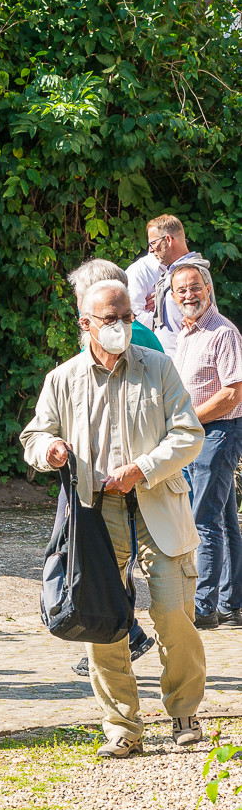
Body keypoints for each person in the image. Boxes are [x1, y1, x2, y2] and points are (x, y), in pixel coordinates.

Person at [21, 279, 205, 758]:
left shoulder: (158, 368)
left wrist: (141, 468)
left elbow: (189, 434)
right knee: (101, 618)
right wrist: (51, 450)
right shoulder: (62, 379)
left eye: (128, 317)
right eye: (111, 319)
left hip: (158, 500)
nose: (122, 326)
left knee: (173, 609)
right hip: (95, 511)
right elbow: (34, 435)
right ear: (85, 324)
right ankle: (122, 726)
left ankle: (184, 713)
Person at [62, 260, 160, 677]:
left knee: (121, 568)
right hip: (101, 487)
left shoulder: (137, 341)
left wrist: (142, 465)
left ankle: (129, 631)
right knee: (110, 568)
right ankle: (123, 634)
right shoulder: (77, 362)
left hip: (144, 485)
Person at [169, 262, 242, 629]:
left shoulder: (222, 332)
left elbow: (232, 392)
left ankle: (204, 608)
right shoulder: (185, 333)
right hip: (195, 435)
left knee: (204, 521)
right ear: (172, 296)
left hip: (218, 433)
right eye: (180, 290)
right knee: (226, 520)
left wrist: (188, 420)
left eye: (194, 287)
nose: (188, 295)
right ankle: (231, 603)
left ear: (208, 289)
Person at [127, 214, 209, 353]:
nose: (151, 249)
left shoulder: (190, 273)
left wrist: (161, 300)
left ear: (168, 240)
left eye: (153, 243)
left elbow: (206, 321)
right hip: (170, 361)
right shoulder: (173, 271)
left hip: (185, 358)